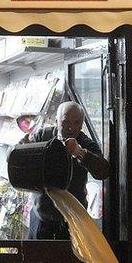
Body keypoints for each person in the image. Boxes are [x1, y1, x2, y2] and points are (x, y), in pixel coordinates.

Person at [22, 102, 111, 240]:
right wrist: (24, 147)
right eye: (66, 122)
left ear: (82, 125)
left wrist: (80, 153)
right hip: (41, 216)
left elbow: (103, 172)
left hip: (73, 219)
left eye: (77, 123)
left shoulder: (85, 143)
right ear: (56, 121)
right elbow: (16, 160)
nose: (71, 127)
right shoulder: (42, 136)